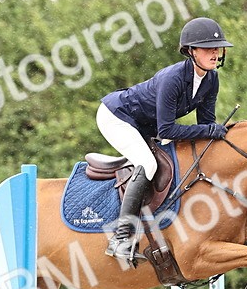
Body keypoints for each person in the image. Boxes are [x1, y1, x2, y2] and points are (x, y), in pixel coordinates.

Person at [97, 16, 233, 263]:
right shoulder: (173, 79)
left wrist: (219, 134)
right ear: (191, 51)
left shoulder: (211, 80)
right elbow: (168, 130)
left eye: (217, 48)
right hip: (117, 116)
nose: (215, 52)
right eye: (208, 48)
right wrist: (209, 131)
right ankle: (120, 237)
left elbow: (205, 125)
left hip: (146, 125)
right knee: (148, 164)